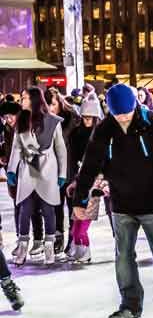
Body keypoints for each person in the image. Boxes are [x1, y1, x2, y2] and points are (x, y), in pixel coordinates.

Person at [72, 83, 153, 318]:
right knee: (123, 257)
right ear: (110, 111)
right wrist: (79, 200)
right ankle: (130, 305)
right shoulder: (105, 129)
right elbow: (90, 166)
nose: (123, 118)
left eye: (127, 112)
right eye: (118, 114)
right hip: (122, 203)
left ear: (135, 105)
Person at [7, 87, 67, 266]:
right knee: (25, 209)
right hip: (27, 170)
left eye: (24, 98)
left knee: (48, 208)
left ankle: (49, 246)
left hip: (47, 170)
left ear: (33, 100)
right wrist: (12, 169)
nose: (21, 101)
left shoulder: (52, 121)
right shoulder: (21, 121)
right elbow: (17, 147)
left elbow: (60, 149)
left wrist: (62, 173)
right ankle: (23, 245)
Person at [0, 101, 44, 257]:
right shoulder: (7, 129)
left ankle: (39, 239)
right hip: (14, 174)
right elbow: (8, 148)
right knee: (18, 206)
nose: (8, 119)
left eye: (10, 116)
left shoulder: (26, 126)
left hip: (28, 171)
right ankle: (21, 239)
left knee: (32, 207)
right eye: (5, 117)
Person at [65, 94, 104, 262]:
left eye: (91, 118)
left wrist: (101, 180)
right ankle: (80, 250)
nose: (87, 121)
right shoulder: (76, 134)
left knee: (82, 226)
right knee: (75, 227)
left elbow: (105, 159)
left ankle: (85, 252)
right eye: (85, 118)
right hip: (80, 182)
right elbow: (73, 157)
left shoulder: (102, 135)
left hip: (94, 184)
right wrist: (74, 179)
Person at [44, 88, 81, 257]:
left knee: (73, 206)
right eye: (47, 105)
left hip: (71, 169)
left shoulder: (72, 119)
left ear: (59, 103)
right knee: (55, 207)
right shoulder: (44, 121)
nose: (50, 108)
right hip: (52, 171)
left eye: (52, 104)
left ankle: (73, 239)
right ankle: (58, 238)